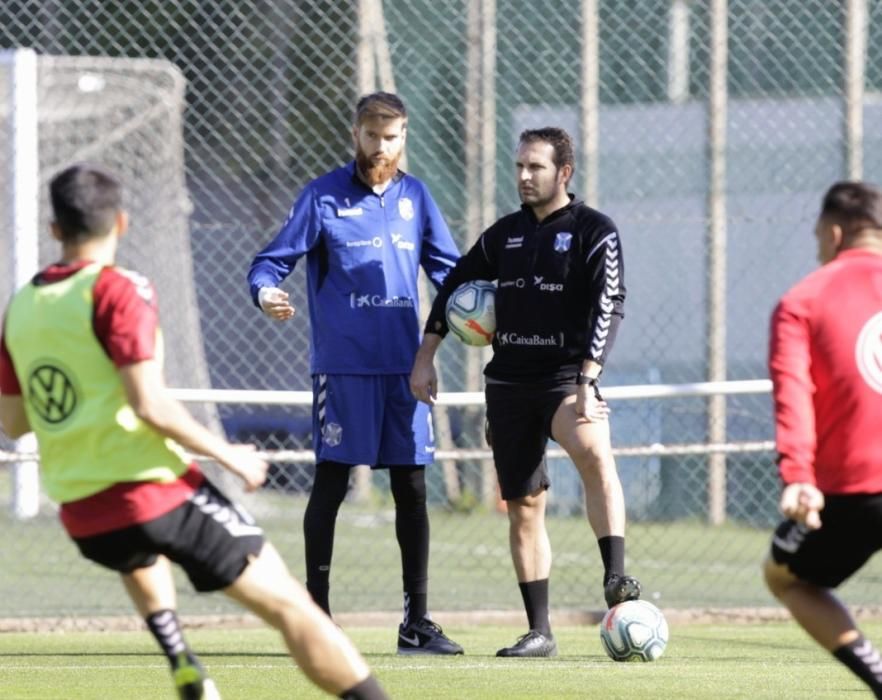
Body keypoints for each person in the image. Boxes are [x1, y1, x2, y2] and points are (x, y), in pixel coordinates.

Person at [0, 164, 389, 700]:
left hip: (82, 511)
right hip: (151, 491)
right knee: (293, 608)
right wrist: (228, 455)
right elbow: (149, 403)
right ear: (121, 222)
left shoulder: (20, 307)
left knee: (138, 550)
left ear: (55, 230)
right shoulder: (119, 290)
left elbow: (16, 422)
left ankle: (181, 657)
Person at [410, 126, 641, 658]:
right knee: (524, 507)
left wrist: (588, 377)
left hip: (565, 379)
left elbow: (611, 303)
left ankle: (616, 578)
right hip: (508, 384)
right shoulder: (503, 235)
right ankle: (540, 631)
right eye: (518, 166)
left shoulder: (594, 231)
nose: (523, 176)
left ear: (564, 173)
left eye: (535, 167)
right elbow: (452, 289)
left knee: (593, 451)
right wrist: (425, 356)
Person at [247, 92, 463, 656]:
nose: (381, 147)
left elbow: (451, 274)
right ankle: (316, 617)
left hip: (404, 371)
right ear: (356, 135)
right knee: (332, 483)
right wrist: (267, 291)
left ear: (403, 138)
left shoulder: (417, 197)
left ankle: (416, 623)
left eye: (391, 137)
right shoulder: (321, 197)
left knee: (411, 487)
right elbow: (272, 261)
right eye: (372, 136)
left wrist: (486, 310)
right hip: (343, 370)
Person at [764, 181, 882, 698]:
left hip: (857, 492)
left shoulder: (803, 301)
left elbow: (795, 395)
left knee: (786, 577)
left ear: (834, 234)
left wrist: (799, 478)